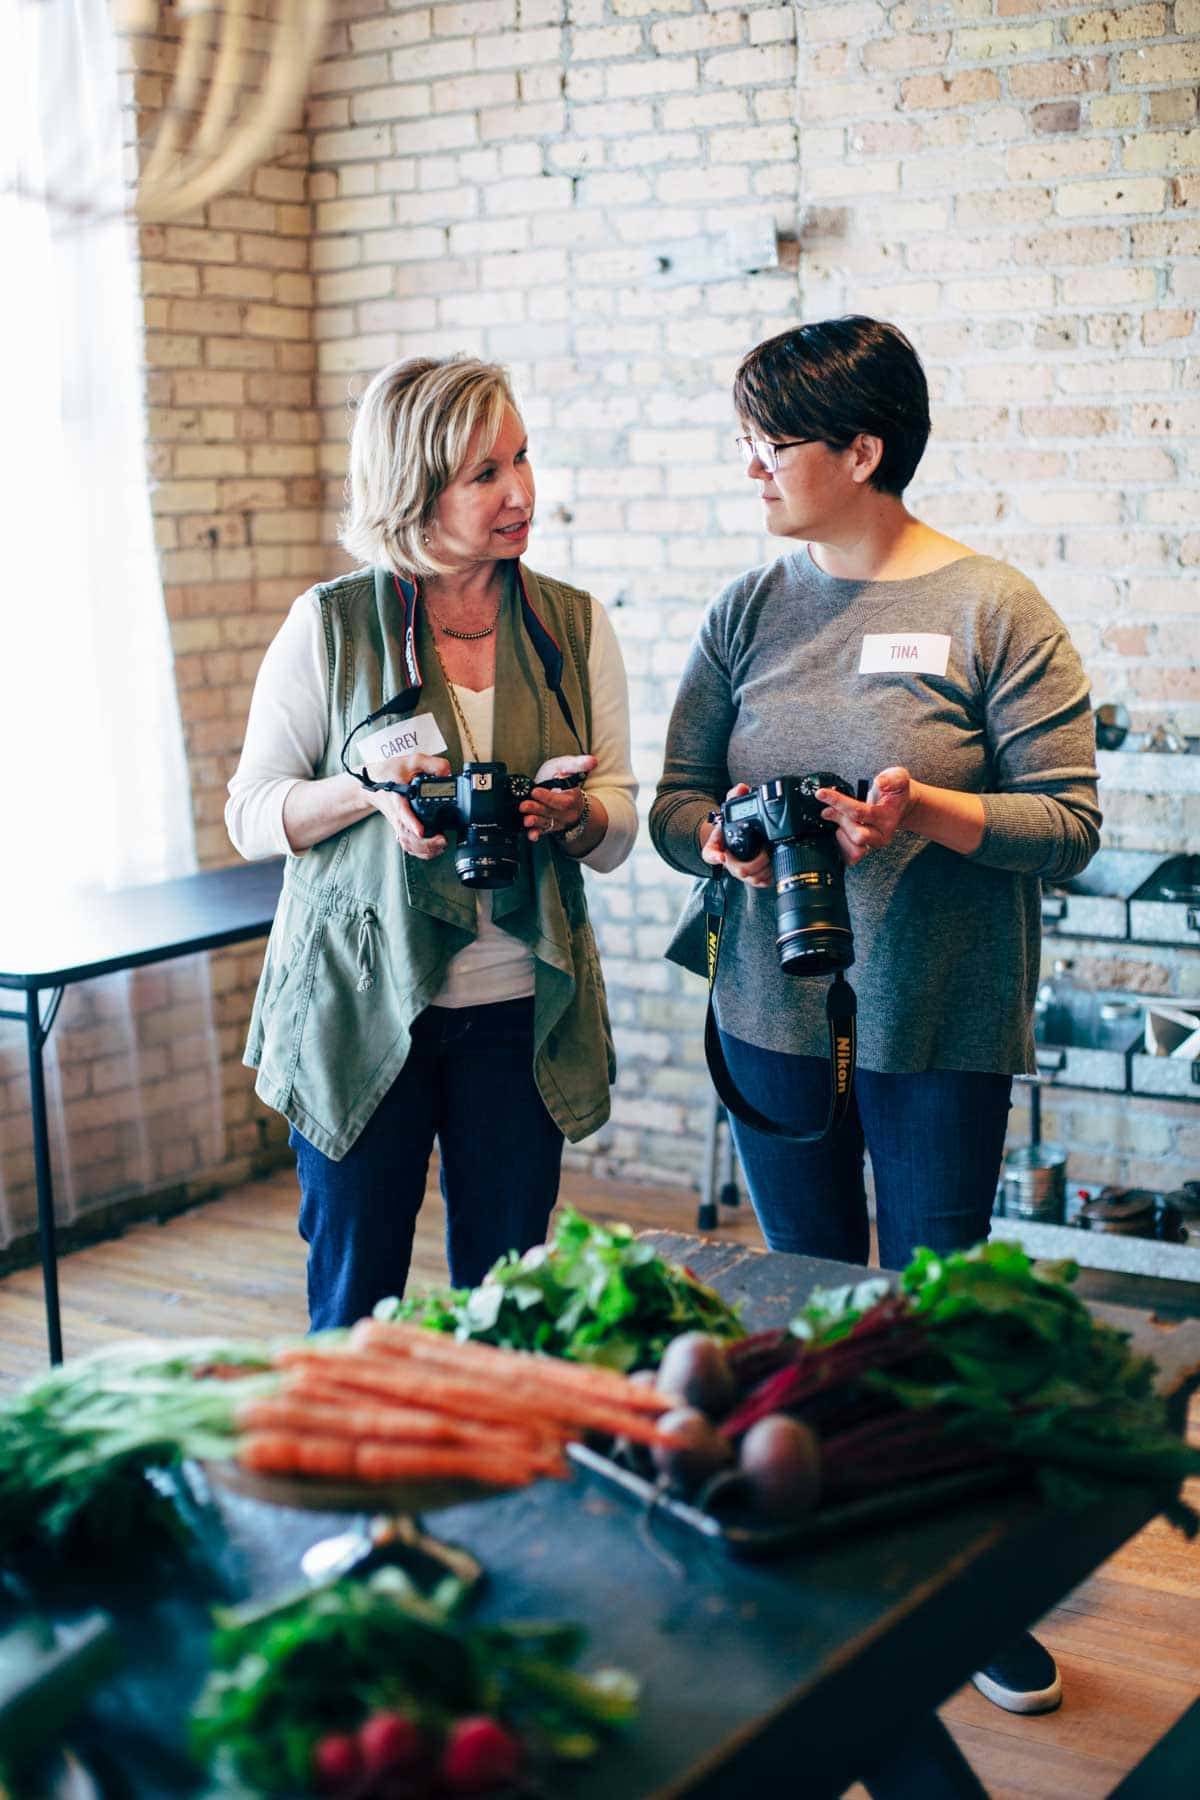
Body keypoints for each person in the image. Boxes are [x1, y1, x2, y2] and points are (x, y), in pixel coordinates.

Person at [650, 316, 1100, 1717]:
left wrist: (929, 811)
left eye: (772, 442)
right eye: (747, 438)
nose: (751, 467)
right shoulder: (747, 607)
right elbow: (670, 802)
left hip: (936, 1022)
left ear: (862, 449)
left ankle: (964, 1595)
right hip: (771, 1015)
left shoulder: (993, 608)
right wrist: (714, 837)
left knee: (927, 1311)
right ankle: (833, 1575)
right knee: (803, 1298)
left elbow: (1070, 822)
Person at [227, 354, 637, 1331]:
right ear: (415, 489)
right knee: (355, 1297)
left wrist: (577, 818)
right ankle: (359, 1482)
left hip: (514, 1013)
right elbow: (252, 814)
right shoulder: (328, 625)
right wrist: (365, 795)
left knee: (508, 1305)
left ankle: (493, 1483)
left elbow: (618, 817)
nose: (521, 493)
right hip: (361, 1011)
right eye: (483, 474)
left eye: (523, 458)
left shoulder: (572, 627)